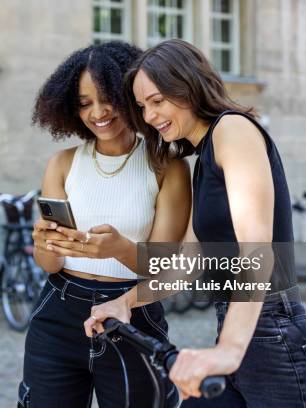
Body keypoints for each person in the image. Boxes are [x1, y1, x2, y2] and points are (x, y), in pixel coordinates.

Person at [84, 39, 306, 407]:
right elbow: (186, 266)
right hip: (241, 341)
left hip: (280, 350)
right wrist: (125, 302)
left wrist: (229, 350)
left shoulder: (232, 130)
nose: (150, 116)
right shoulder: (203, 159)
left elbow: (257, 249)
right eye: (142, 107)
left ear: (188, 87)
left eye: (158, 101)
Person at [18, 41, 190, 407]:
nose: (98, 112)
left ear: (130, 96)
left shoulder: (168, 166)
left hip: (131, 314)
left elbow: (165, 268)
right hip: (59, 312)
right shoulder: (62, 164)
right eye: (84, 103)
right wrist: (43, 244)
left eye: (107, 97)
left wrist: (119, 250)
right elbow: (51, 265)